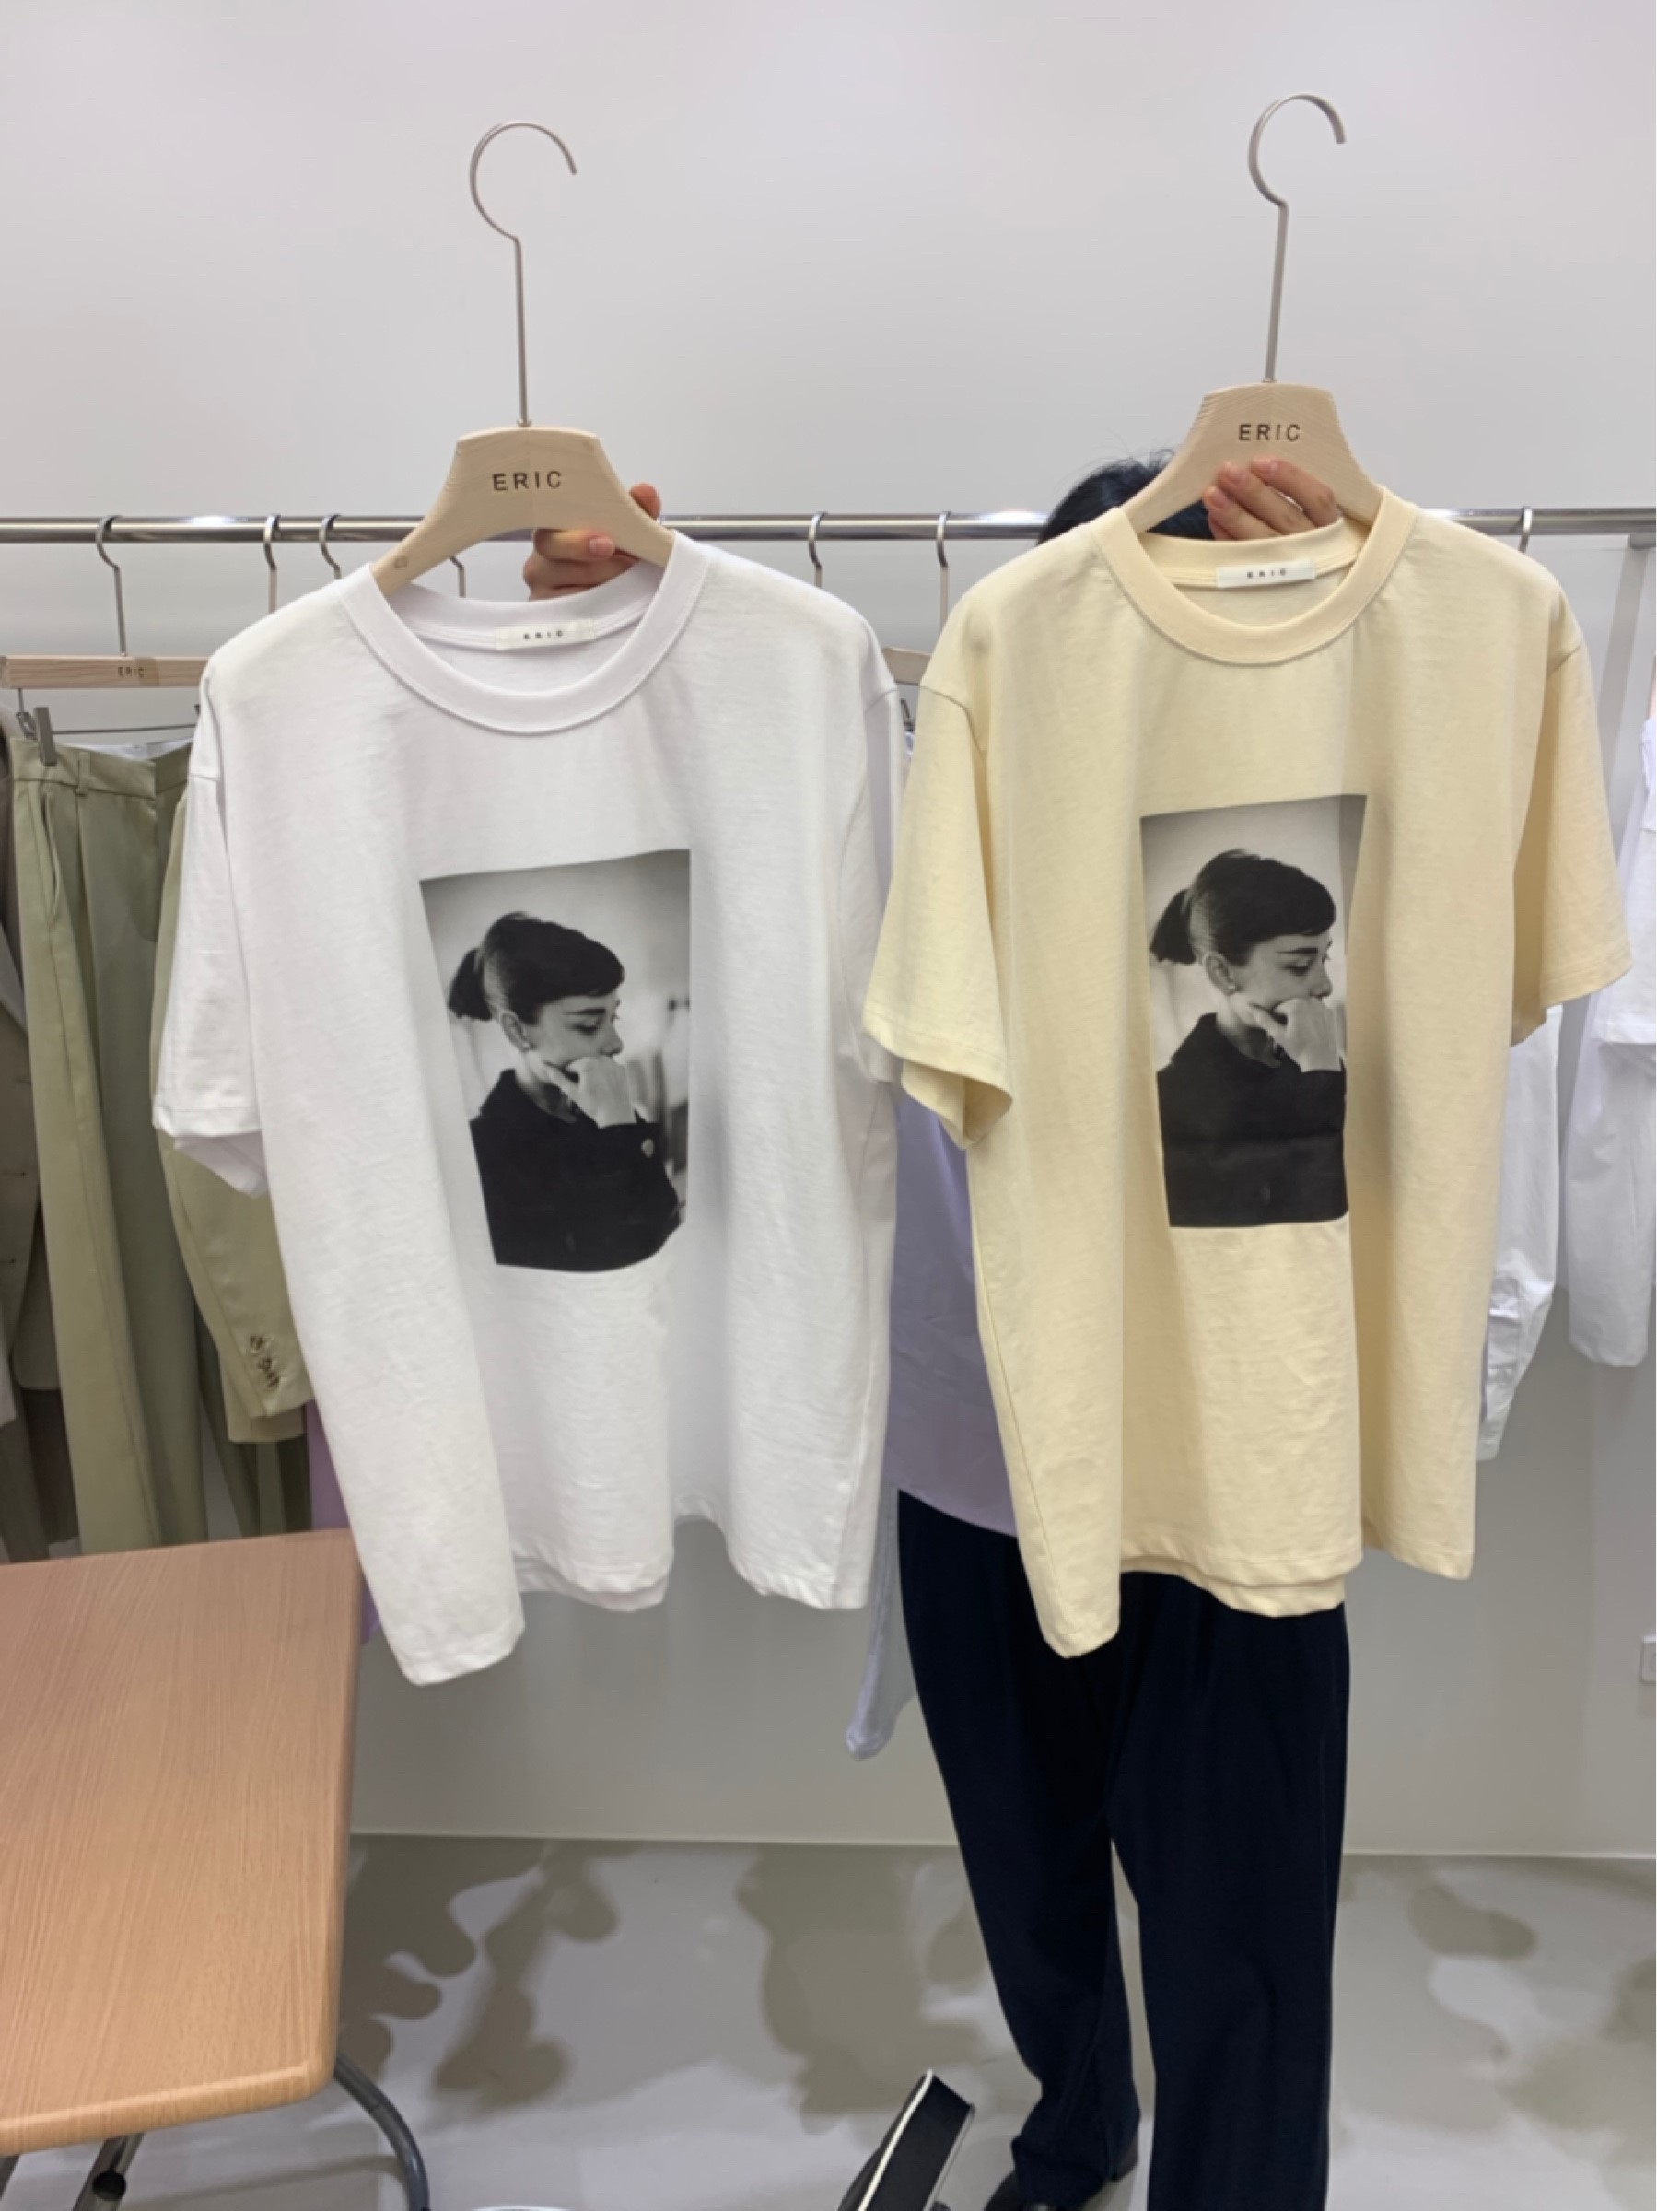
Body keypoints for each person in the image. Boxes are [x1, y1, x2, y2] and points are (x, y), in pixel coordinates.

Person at [523, 456, 1350, 2212]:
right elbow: (716, 786)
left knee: (1242, 1904)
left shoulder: (1304, 841)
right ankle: (1079, 2114)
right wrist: (605, 656)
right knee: (1027, 1861)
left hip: (1233, 1472)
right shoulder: (908, 812)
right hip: (971, 1458)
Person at [449, 910, 682, 1273]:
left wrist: (619, 1125)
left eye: (613, 1019)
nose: (616, 1043)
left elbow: (667, 1235)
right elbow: (612, 1261)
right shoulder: (480, 1155)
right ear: (517, 1032)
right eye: (588, 1025)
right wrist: (617, 1136)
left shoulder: (612, 1111)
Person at [1150, 848, 1348, 1227]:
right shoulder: (1171, 1098)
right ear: (1223, 973)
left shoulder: (1320, 1060)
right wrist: (1321, 1080)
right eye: (1300, 965)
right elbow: (1313, 1214)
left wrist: (1323, 1070)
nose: (1324, 985)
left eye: (1323, 960)